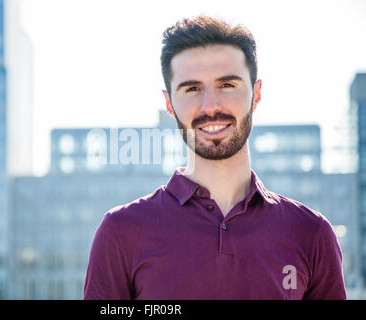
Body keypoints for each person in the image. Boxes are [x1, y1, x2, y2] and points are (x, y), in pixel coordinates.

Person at [83, 15, 347, 300]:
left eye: (227, 85)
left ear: (256, 94)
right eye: (192, 88)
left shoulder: (312, 233)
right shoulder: (121, 232)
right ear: (169, 103)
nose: (210, 106)